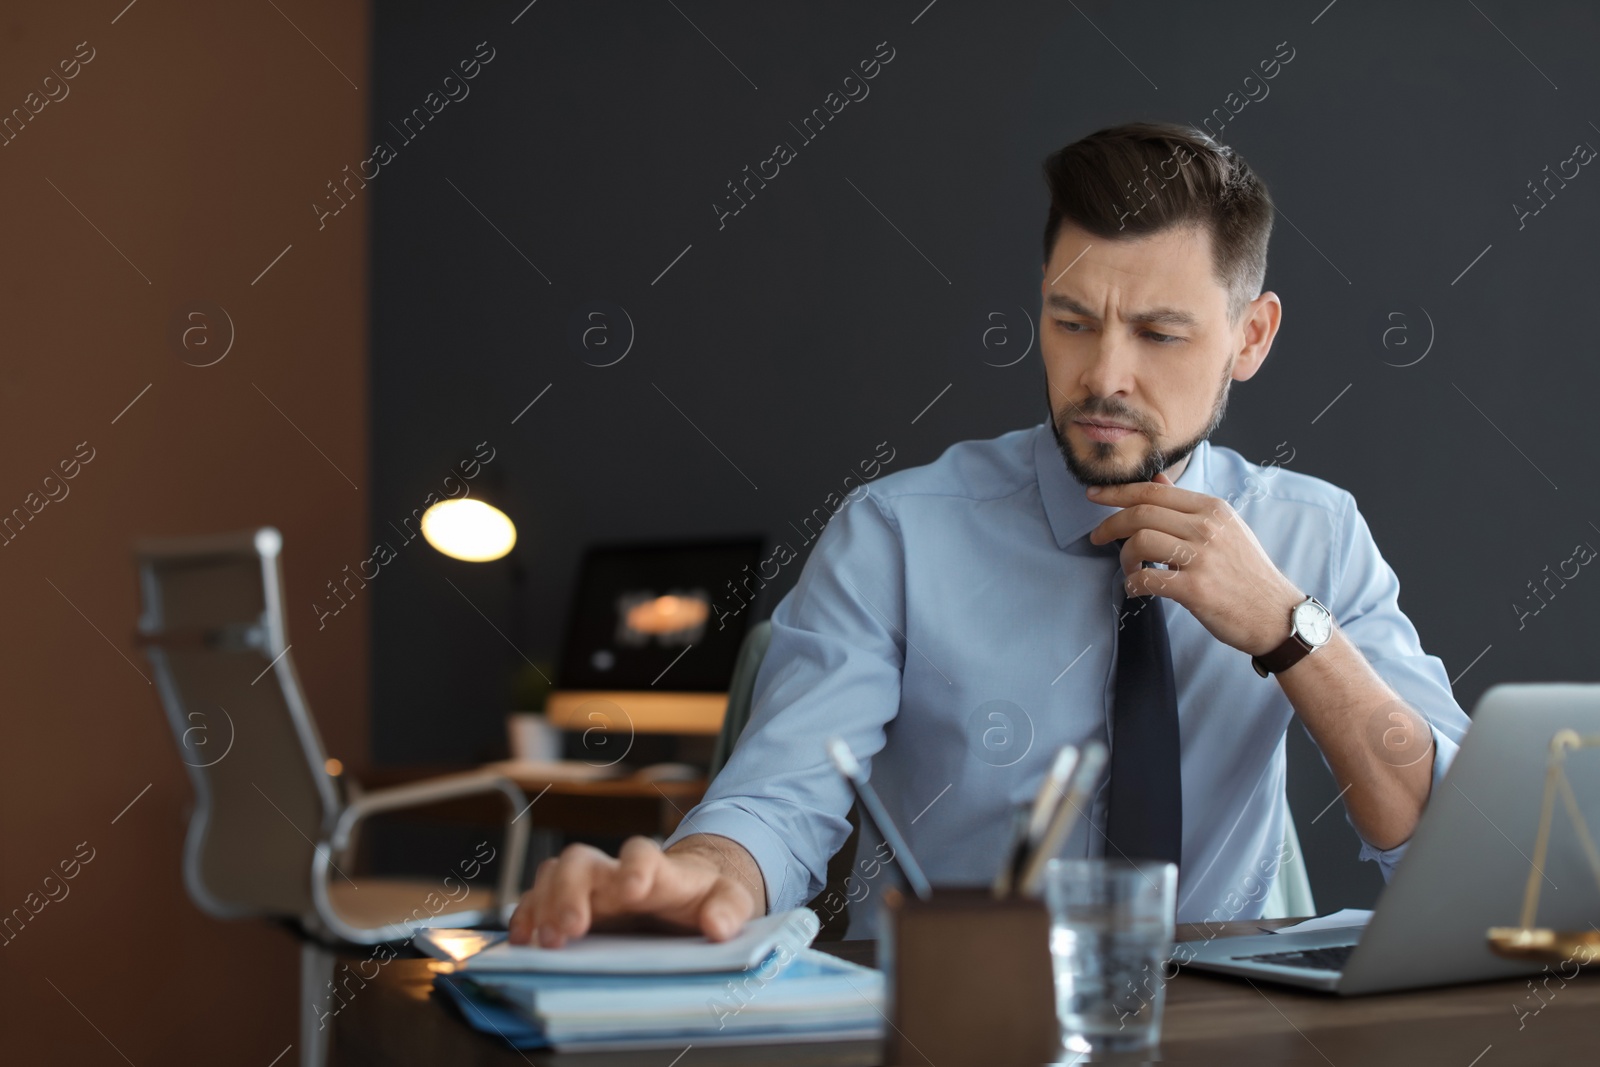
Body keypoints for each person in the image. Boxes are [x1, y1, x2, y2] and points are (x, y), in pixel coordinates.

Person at [508, 121, 1471, 948]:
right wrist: (707, 874)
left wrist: (1289, 629)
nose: (1104, 375)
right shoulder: (896, 536)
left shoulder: (1317, 533)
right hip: (952, 1023)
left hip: (1216, 1027)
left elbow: (1454, 850)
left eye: (1161, 334)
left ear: (1250, 337)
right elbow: (776, 802)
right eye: (1071, 319)